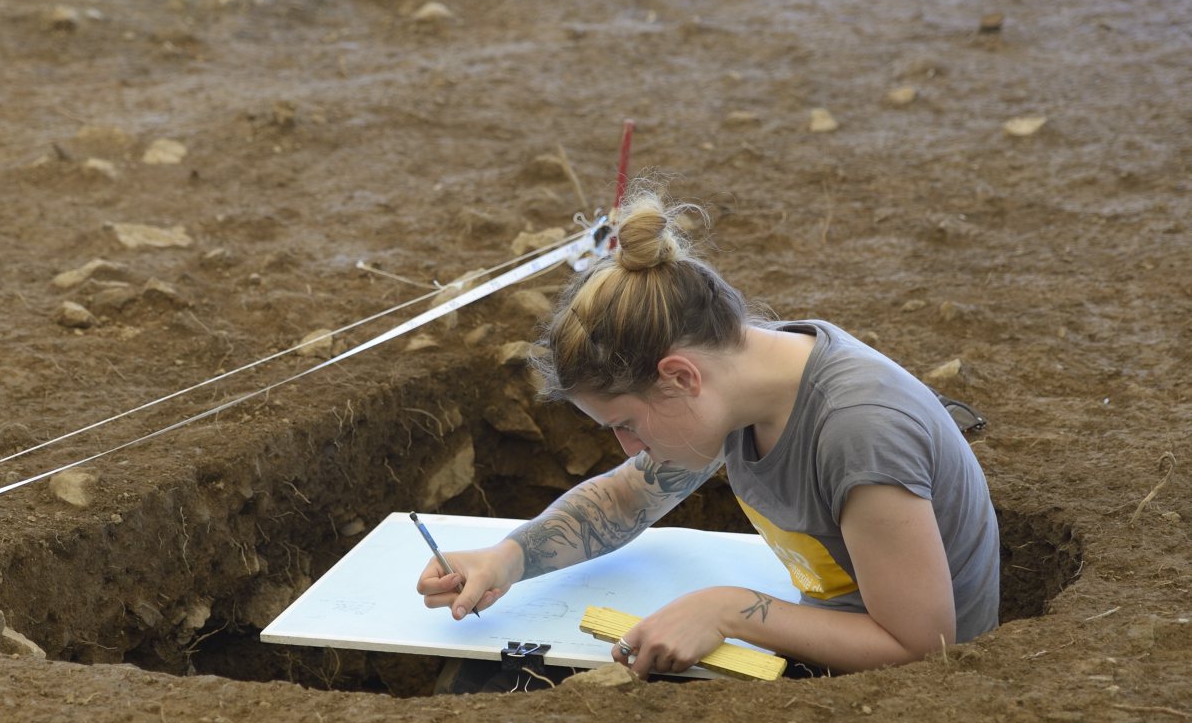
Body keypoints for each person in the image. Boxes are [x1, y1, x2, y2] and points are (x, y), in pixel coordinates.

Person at [417, 190, 1000, 683]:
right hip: (832, 645)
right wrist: (507, 559)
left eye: (625, 424)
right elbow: (625, 499)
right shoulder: (743, 376)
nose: (628, 449)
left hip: (901, 691)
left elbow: (925, 648)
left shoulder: (860, 431)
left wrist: (726, 611)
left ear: (679, 376)